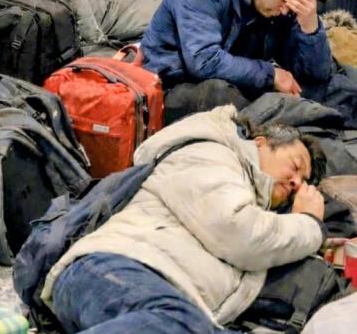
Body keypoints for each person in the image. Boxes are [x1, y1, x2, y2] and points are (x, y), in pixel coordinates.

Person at [44, 109, 327, 334]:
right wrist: (309, 223)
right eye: (295, 166)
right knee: (178, 324)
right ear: (261, 143)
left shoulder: (252, 200)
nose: (295, 182)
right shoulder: (212, 153)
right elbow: (239, 233)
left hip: (169, 301)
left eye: (302, 183)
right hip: (117, 267)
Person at [140, 0, 347, 125]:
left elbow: (316, 76)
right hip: (173, 86)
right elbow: (204, 62)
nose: (286, 10)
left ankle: (310, 121)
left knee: (341, 87)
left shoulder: (279, 7)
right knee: (223, 96)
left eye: (295, 5)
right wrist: (271, 74)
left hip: (238, 78)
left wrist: (310, 27)